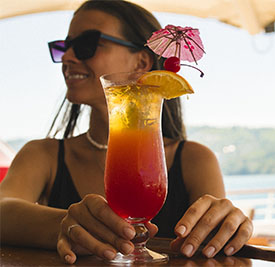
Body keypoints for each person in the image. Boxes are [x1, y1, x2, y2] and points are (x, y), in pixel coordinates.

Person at [0, 0, 252, 264]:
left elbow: (214, 238)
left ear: (142, 61)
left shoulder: (194, 160)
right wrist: (66, 223)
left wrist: (226, 224)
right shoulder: (43, 154)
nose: (67, 57)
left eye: (87, 44)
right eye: (64, 46)